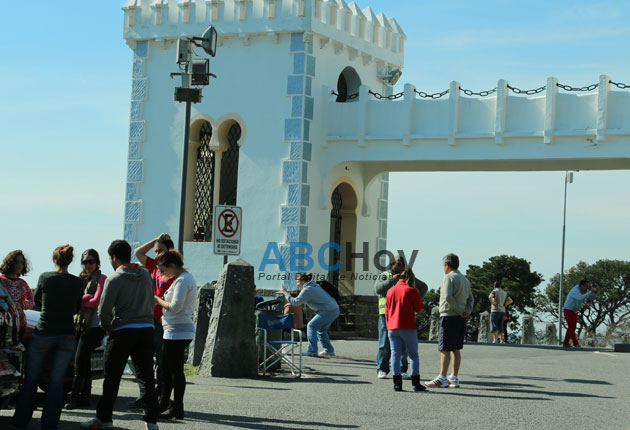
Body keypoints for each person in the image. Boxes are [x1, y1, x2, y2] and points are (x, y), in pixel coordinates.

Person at [81, 240, 159, 430]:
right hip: (146, 328)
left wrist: (108, 327)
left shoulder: (114, 279)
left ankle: (104, 418)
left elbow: (104, 310)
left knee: (112, 376)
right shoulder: (146, 275)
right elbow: (152, 301)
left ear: (114, 257)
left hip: (123, 329)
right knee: (146, 376)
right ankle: (151, 421)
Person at [12, 245, 83, 430]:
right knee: (57, 381)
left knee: (31, 378)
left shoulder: (45, 277)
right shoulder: (77, 282)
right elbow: (77, 307)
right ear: (70, 260)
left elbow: (36, 301)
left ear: (54, 260)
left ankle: (20, 422)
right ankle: (49, 424)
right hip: (67, 334)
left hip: (43, 332)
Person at [131, 233, 176, 409]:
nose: (157, 254)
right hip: (148, 318)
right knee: (145, 361)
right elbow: (138, 252)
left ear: (170, 251)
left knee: (162, 362)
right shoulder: (153, 266)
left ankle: (161, 398)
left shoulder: (173, 270)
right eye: (156, 251)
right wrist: (155, 239)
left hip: (162, 321)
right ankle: (146, 396)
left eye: (161, 251)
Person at [153, 250, 198, 420]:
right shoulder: (182, 279)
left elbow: (175, 306)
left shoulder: (183, 280)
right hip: (173, 329)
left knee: (174, 370)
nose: (163, 274)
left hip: (178, 331)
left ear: (171, 265)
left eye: (163, 270)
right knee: (166, 368)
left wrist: (158, 300)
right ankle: (165, 403)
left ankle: (176, 406)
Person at [65, 249, 107, 410]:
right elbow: (71, 300)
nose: (88, 265)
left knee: (79, 361)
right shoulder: (79, 279)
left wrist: (80, 300)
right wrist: (84, 299)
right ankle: (85, 397)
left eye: (91, 261)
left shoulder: (102, 278)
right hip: (79, 325)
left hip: (95, 326)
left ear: (97, 262)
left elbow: (96, 301)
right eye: (85, 262)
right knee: (83, 362)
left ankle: (74, 398)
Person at [374, 255, 428, 379]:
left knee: (403, 344)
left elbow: (423, 287)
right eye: (397, 265)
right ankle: (382, 368)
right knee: (385, 343)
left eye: (402, 265)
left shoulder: (408, 277)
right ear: (392, 265)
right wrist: (392, 280)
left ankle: (402, 369)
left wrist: (414, 301)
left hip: (404, 314)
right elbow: (377, 289)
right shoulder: (385, 275)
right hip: (386, 314)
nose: (399, 267)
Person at [426, 253, 474, 389]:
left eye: (443, 265)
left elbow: (447, 297)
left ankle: (442, 377)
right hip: (460, 318)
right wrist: (466, 312)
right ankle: (454, 377)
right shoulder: (465, 279)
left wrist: (459, 310)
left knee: (444, 348)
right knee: (455, 348)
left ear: (447, 265)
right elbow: (471, 299)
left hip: (449, 316)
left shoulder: (448, 278)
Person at [385, 268, 426, 392]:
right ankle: (415, 383)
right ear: (410, 278)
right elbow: (418, 308)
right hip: (407, 326)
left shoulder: (390, 291)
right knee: (413, 355)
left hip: (392, 326)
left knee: (395, 355)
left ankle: (397, 383)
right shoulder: (412, 291)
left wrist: (388, 325)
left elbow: (386, 310)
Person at [282, 273, 339, 357]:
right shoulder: (314, 285)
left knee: (311, 326)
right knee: (321, 330)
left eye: (297, 281)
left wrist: (286, 294)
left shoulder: (308, 289)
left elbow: (295, 302)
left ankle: (312, 350)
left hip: (327, 311)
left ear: (303, 281)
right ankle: (329, 351)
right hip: (335, 309)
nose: (297, 284)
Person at [0, 250, 34, 340]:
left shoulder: (23, 283)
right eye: (16, 262)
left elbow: (31, 300)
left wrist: (22, 305)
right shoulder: (1, 281)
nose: (19, 265)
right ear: (10, 263)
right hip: (3, 324)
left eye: (22, 262)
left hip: (20, 324)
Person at [563, 279, 597, 348]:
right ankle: (576, 344)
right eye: (586, 286)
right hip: (568, 310)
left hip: (574, 311)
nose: (587, 288)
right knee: (571, 328)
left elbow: (590, 297)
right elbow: (580, 298)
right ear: (581, 285)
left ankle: (565, 343)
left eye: (588, 286)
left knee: (572, 327)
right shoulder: (575, 291)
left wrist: (595, 292)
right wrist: (590, 291)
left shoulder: (583, 291)